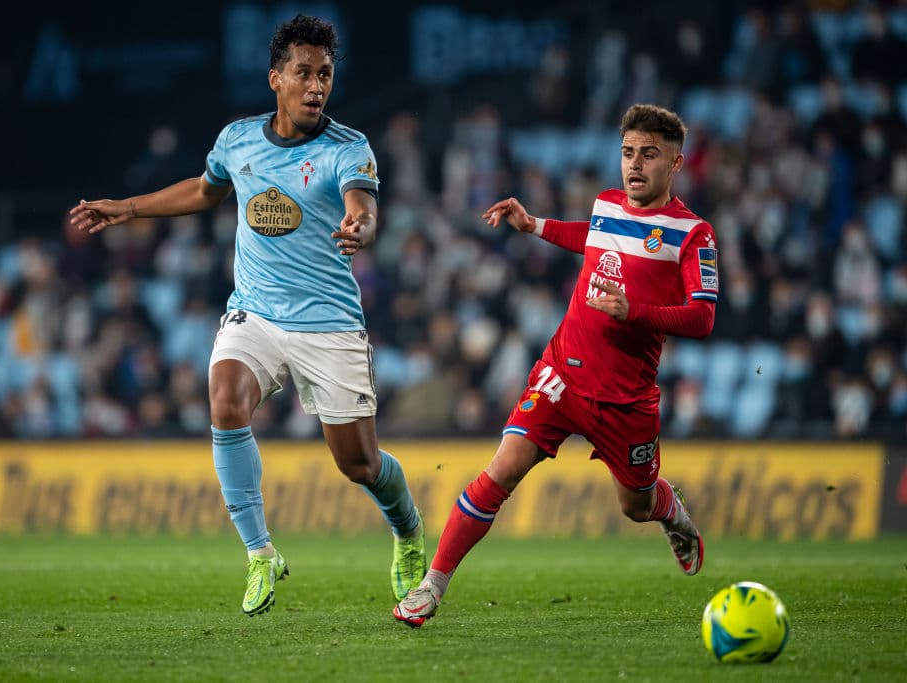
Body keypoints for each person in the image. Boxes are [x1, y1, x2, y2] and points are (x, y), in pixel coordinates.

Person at [70, 14, 424, 617]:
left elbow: (362, 204)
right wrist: (129, 207)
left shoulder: (348, 147)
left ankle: (409, 531)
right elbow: (206, 191)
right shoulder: (238, 141)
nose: (317, 86)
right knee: (225, 399)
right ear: (275, 79)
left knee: (358, 463)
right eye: (304, 73)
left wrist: (360, 226)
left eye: (326, 75)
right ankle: (260, 553)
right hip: (255, 312)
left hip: (328, 322)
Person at [394, 103, 717, 628]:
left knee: (634, 506)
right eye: (628, 153)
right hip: (560, 376)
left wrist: (634, 312)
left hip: (625, 400)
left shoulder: (692, 233)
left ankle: (672, 514)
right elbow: (587, 235)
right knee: (500, 470)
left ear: (675, 164)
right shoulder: (608, 204)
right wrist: (534, 224)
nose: (635, 165)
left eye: (649, 155)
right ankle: (432, 586)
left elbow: (702, 318)